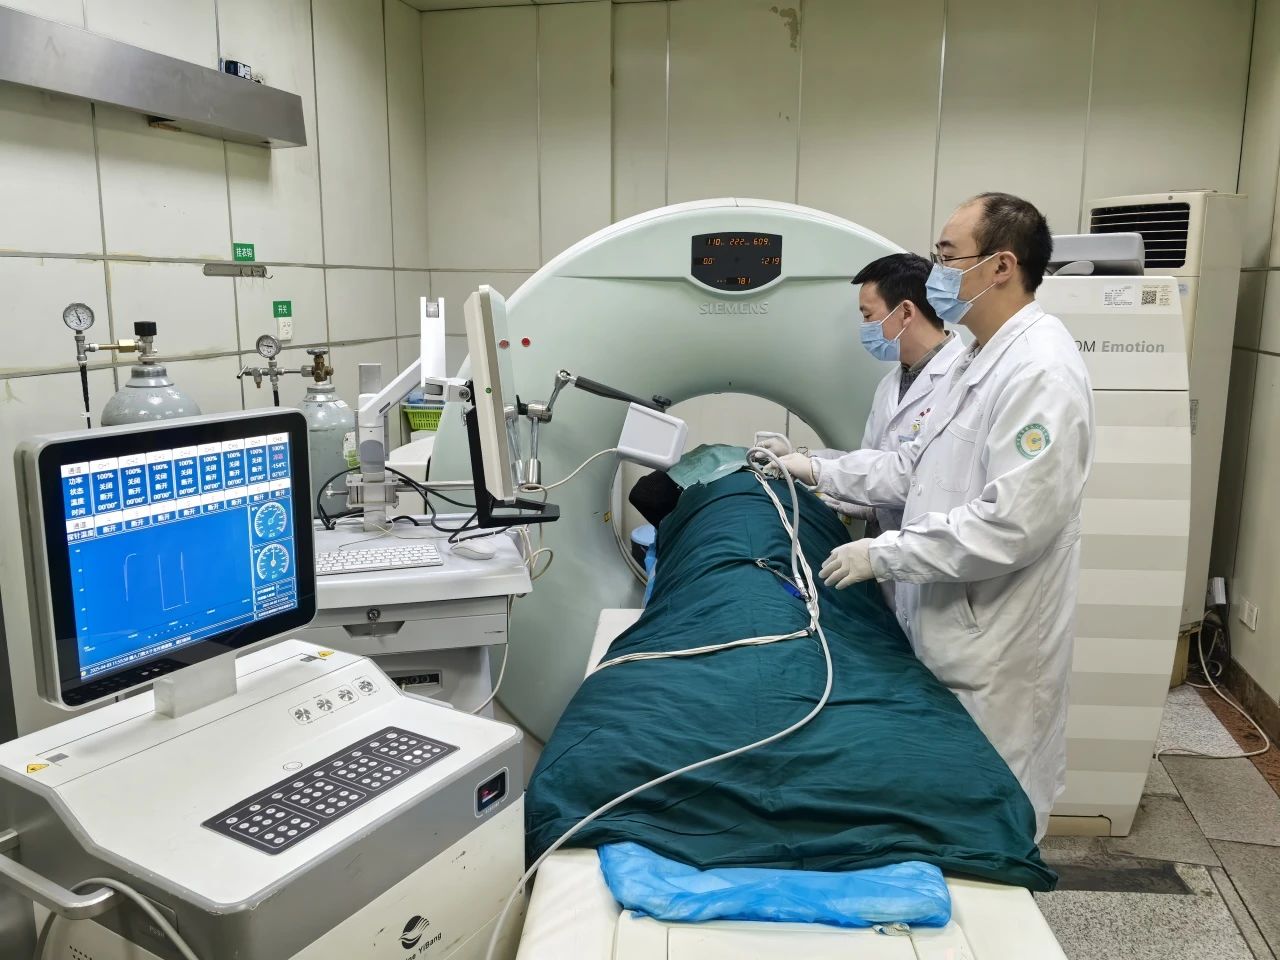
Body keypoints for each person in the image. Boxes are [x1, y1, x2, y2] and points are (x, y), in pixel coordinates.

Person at [781, 193, 1095, 838]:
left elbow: (1013, 523)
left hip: (994, 640)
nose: (937, 273)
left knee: (994, 809)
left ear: (1001, 266)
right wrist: (813, 468)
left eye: (948, 257)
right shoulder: (976, 359)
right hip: (945, 615)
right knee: (944, 799)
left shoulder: (1041, 371)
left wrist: (884, 552)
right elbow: (909, 467)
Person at [763, 252, 965, 539]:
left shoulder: (961, 381)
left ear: (906, 313)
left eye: (868, 316)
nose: (865, 327)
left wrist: (816, 470)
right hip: (884, 547)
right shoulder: (890, 384)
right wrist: (799, 456)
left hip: (928, 544)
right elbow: (871, 464)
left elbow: (909, 475)